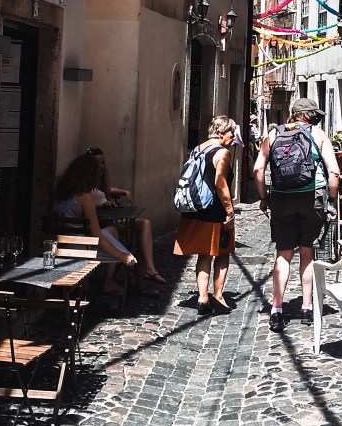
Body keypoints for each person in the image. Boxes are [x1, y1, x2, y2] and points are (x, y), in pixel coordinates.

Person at [253, 98, 339, 332]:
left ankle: (277, 309)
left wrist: (264, 197)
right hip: (313, 197)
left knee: (283, 253)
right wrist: (331, 200)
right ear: (310, 116)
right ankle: (306, 307)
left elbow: (258, 169)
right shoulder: (319, 135)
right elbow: (334, 171)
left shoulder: (273, 136)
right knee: (307, 251)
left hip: (282, 198)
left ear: (293, 115)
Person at [173, 115, 237, 316]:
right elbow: (220, 183)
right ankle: (217, 295)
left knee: (204, 254)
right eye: (231, 132)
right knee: (223, 251)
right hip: (215, 209)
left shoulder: (198, 149)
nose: (233, 137)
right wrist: (230, 211)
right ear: (223, 132)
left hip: (196, 207)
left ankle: (202, 298)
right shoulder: (223, 153)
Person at [51, 152, 137, 296]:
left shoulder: (60, 195)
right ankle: (108, 281)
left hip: (60, 247)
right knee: (113, 233)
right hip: (80, 249)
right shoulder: (85, 197)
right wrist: (123, 256)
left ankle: (94, 283)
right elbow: (97, 236)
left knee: (111, 231)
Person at [83, 147, 166, 295]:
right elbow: (97, 199)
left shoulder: (95, 186)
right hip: (100, 232)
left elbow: (106, 189)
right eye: (99, 163)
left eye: (103, 162)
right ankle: (143, 280)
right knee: (141, 239)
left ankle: (149, 269)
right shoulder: (88, 192)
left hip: (103, 227)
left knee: (144, 225)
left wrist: (123, 192)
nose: (102, 166)